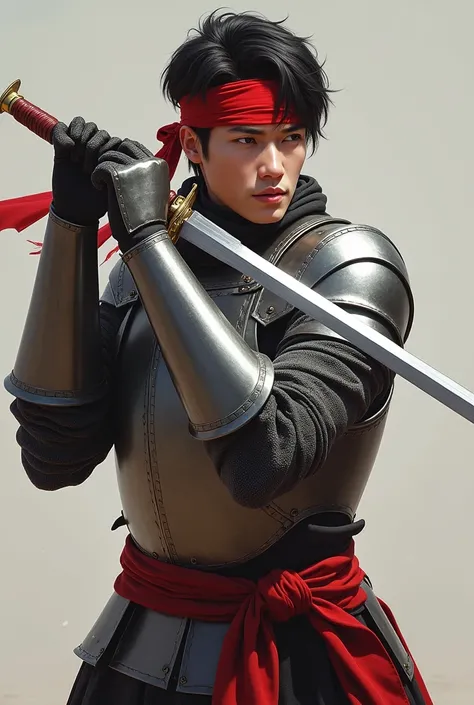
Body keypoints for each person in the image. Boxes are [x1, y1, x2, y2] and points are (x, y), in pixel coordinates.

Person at [4, 10, 433, 705]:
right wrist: (72, 225)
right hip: (137, 642)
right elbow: (53, 456)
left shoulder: (352, 268)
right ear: (193, 149)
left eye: (290, 139)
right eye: (246, 140)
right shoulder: (145, 267)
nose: (275, 166)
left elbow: (263, 459)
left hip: (297, 657)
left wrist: (145, 238)